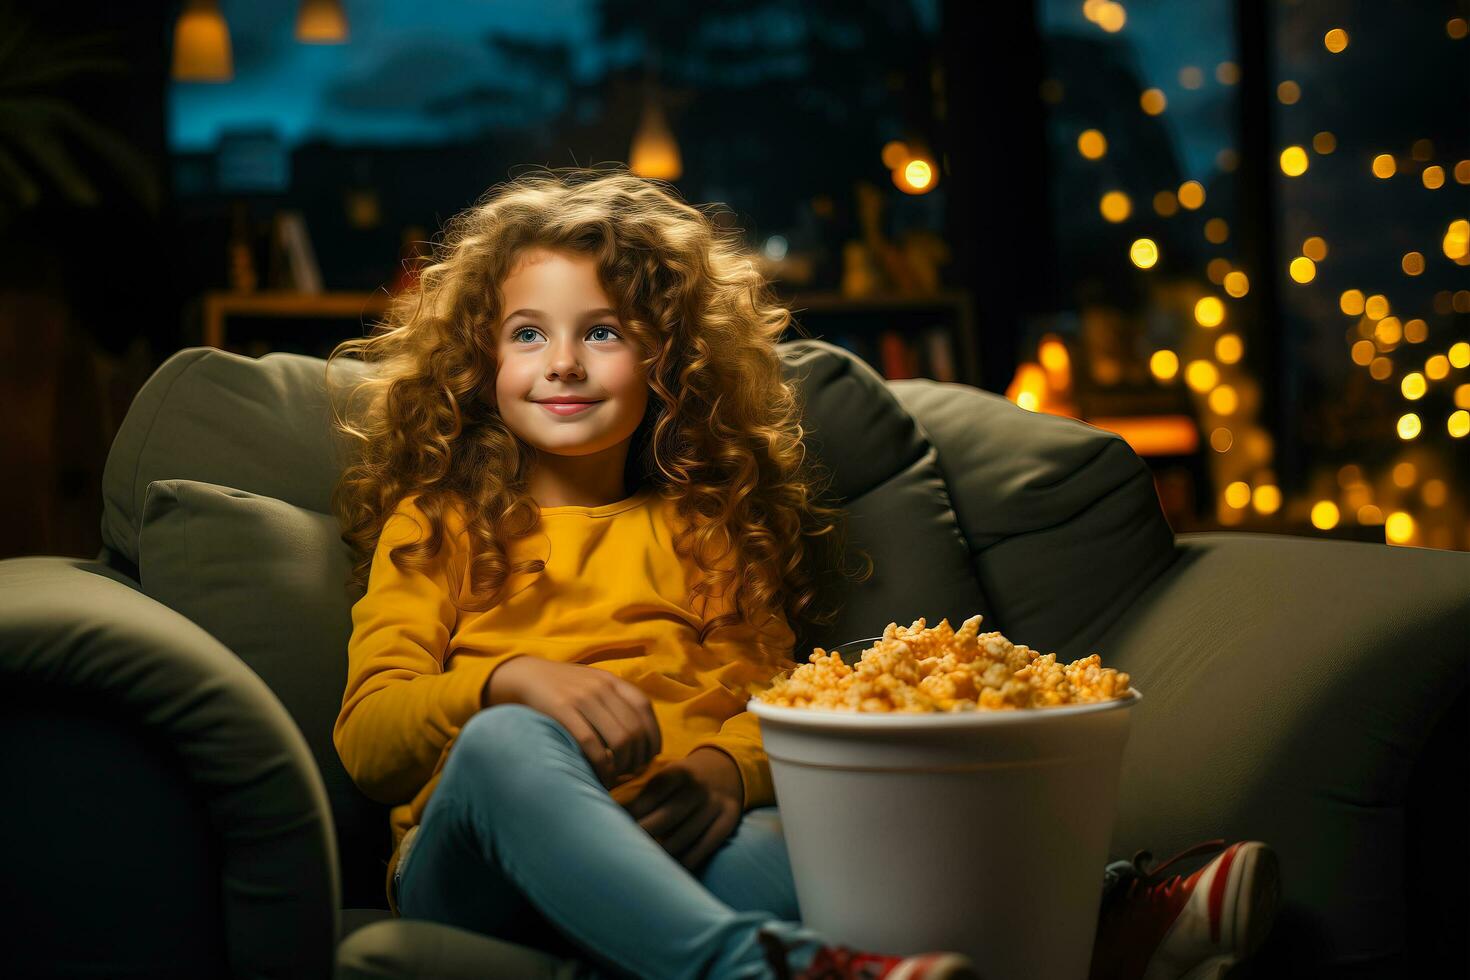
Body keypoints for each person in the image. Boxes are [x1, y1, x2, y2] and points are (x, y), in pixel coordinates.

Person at [326, 167, 1280, 980]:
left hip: (679, 847)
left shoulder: (704, 531)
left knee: (823, 845)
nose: (564, 363)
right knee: (507, 746)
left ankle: (1101, 924)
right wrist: (508, 682)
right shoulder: (439, 527)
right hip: (478, 859)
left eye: (605, 332)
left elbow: (763, 711)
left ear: (668, 359)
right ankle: (752, 967)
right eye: (528, 333)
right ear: (480, 358)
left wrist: (720, 775)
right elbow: (370, 740)